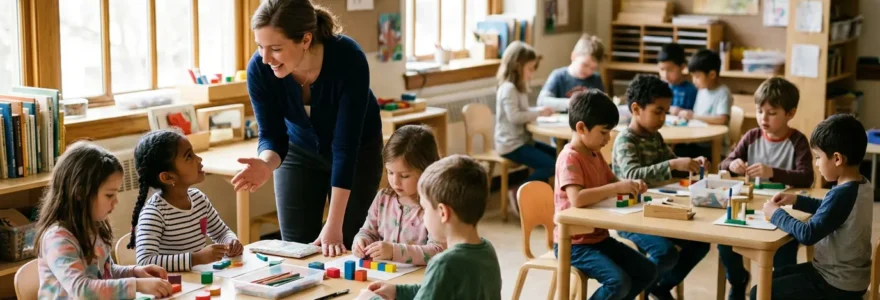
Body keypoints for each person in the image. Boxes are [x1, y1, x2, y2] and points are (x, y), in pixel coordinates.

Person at [234, 0, 384, 256]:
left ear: (305, 39)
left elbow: (345, 147)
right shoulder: (259, 69)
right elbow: (272, 134)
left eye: (275, 48)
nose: (265, 58)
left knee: (348, 244)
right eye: (260, 47)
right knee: (295, 248)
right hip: (299, 150)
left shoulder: (348, 58)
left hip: (358, 152)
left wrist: (333, 224)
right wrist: (266, 164)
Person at [751, 114, 872, 300]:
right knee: (768, 279)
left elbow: (808, 234)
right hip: (846, 277)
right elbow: (830, 210)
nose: (816, 164)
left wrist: (775, 214)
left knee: (760, 292)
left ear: (837, 159)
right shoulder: (861, 184)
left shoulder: (842, 194)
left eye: (818, 157)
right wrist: (796, 200)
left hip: (835, 284)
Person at [611, 74, 710, 299]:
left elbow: (673, 166)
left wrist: (694, 162)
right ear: (636, 109)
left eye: (666, 111)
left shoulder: (655, 137)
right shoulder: (625, 140)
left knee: (700, 244)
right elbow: (633, 175)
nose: (663, 117)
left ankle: (659, 286)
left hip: (656, 209)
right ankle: (645, 288)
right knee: (664, 252)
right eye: (658, 111)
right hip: (629, 214)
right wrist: (674, 163)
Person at [35, 142, 173, 299]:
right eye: (109, 195)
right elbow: (82, 290)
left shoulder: (94, 226)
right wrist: (137, 285)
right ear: (80, 192)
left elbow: (106, 273)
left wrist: (135, 272)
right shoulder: (57, 238)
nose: (115, 202)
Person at [556, 89, 658, 300]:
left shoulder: (594, 154)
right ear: (581, 127)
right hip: (574, 243)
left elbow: (612, 181)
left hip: (598, 239)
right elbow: (577, 198)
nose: (608, 138)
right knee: (617, 282)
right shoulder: (569, 158)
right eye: (603, 132)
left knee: (647, 271)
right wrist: (615, 189)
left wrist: (630, 185)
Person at [716, 77, 810, 299]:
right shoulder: (751, 136)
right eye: (760, 111)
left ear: (790, 113)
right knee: (724, 243)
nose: (763, 118)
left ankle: (778, 290)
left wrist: (773, 172)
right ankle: (738, 280)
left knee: (783, 254)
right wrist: (733, 164)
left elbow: (806, 177)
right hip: (749, 209)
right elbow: (723, 164)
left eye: (772, 112)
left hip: (782, 213)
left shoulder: (797, 141)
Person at [367, 155, 502, 300]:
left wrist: (371, 299)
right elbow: (436, 289)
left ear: (443, 213)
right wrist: (397, 291)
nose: (424, 217)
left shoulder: (444, 264)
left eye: (425, 209)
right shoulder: (487, 250)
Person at [128, 130, 243, 272]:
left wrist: (230, 242)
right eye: (189, 156)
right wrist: (196, 258)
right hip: (172, 288)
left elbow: (221, 233)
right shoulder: (154, 213)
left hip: (197, 281)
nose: (199, 159)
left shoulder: (199, 199)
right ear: (168, 177)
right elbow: (145, 261)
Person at [352, 125, 446, 265]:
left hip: (420, 281)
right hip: (385, 277)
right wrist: (361, 241)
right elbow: (368, 232)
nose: (395, 182)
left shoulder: (435, 206)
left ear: (427, 169)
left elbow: (438, 251)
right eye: (390, 172)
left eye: (404, 176)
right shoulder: (383, 198)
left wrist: (394, 252)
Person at [494, 41, 554, 214]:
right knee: (549, 165)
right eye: (530, 68)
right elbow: (515, 116)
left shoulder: (518, 88)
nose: (532, 73)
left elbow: (523, 111)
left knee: (558, 158)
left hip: (523, 141)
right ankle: (518, 192)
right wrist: (539, 113)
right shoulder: (508, 89)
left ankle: (536, 199)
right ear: (517, 67)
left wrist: (539, 111)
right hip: (511, 144)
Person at [676, 49, 732, 159]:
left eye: (697, 76)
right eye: (692, 76)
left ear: (712, 74)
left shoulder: (723, 92)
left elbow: (722, 119)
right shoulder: (702, 90)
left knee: (680, 155)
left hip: (712, 144)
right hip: (698, 139)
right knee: (675, 150)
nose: (694, 81)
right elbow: (699, 115)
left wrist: (693, 116)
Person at [538, 34, 606, 112]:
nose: (588, 71)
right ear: (573, 56)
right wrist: (572, 103)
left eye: (593, 68)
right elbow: (542, 101)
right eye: (585, 65)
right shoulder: (558, 76)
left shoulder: (596, 78)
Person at [658, 43, 698, 116]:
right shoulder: (658, 88)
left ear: (682, 67)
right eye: (662, 69)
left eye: (670, 70)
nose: (665, 75)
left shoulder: (692, 90)